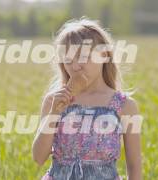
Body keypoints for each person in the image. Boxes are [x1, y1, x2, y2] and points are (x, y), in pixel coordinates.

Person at [32, 17, 142, 180]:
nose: (75, 66)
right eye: (68, 60)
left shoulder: (124, 105)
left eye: (83, 57)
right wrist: (54, 113)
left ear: (104, 55)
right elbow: (38, 158)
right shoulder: (54, 101)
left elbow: (134, 165)